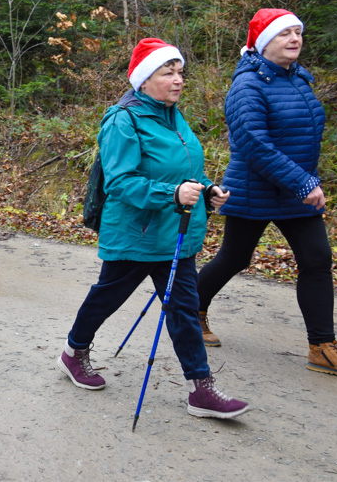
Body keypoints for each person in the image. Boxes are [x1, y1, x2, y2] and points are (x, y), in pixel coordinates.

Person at [58, 38, 249, 420]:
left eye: (180, 72)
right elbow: (121, 182)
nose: (178, 80)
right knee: (106, 298)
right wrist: (173, 193)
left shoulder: (173, 114)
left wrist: (206, 189)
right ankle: (74, 352)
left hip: (176, 234)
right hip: (136, 234)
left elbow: (184, 169)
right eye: (168, 73)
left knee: (182, 308)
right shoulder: (122, 120)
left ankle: (201, 388)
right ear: (144, 80)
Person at [197, 9, 337, 379]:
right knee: (235, 257)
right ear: (265, 43)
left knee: (316, 259)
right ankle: (189, 309)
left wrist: (301, 180)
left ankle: (322, 346)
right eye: (285, 34)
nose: (294, 39)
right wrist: (303, 182)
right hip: (257, 189)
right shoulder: (248, 85)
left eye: (297, 32)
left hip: (295, 189)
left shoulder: (297, 79)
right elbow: (253, 143)